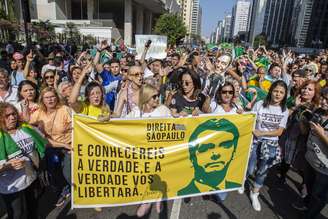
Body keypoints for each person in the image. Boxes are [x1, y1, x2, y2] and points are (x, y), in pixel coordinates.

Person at [126, 84, 170, 217]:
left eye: (158, 96)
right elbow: (120, 124)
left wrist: (182, 116)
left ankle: (155, 197)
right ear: (146, 98)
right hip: (141, 155)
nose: (157, 99)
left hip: (159, 154)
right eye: (154, 97)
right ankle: (149, 199)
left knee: (156, 177)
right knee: (144, 179)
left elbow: (177, 126)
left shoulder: (163, 110)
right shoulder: (135, 113)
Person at [0, 102, 47, 219]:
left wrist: (67, 146)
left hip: (31, 177)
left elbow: (44, 142)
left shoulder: (25, 128)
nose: (12, 117)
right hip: (11, 184)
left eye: (14, 114)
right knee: (17, 214)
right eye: (7, 116)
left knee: (33, 207)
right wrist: (7, 166)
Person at [247, 80, 289, 211]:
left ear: (285, 95)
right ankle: (243, 182)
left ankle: (255, 193)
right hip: (255, 141)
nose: (278, 94)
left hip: (270, 144)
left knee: (262, 171)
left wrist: (263, 133)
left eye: (281, 92)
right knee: (249, 168)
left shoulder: (284, 110)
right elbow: (250, 119)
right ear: (271, 91)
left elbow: (279, 131)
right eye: (276, 91)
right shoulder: (260, 104)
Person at [29, 87, 72, 207]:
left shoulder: (65, 109)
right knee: (53, 169)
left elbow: (76, 127)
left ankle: (76, 192)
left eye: (52, 96)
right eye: (47, 97)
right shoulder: (39, 112)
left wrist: (73, 145)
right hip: (50, 147)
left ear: (57, 97)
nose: (50, 100)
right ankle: (62, 189)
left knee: (68, 173)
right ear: (42, 99)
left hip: (68, 146)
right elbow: (28, 124)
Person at [178, 118, 241, 196]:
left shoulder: (235, 186)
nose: (216, 154)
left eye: (225, 145)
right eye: (205, 148)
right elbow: (179, 126)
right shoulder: (179, 193)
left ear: (234, 153)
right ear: (192, 156)